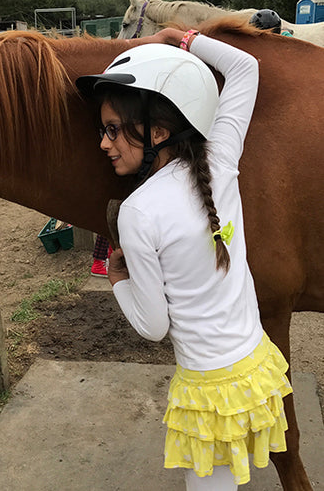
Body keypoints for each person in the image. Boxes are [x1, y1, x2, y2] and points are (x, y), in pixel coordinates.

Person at [76, 28, 293, 490]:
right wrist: (186, 38)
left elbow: (153, 327)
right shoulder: (221, 160)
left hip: (209, 392)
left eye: (113, 130)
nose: (103, 144)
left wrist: (117, 280)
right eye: (102, 130)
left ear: (158, 131)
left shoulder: (139, 211)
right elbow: (245, 68)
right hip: (256, 370)